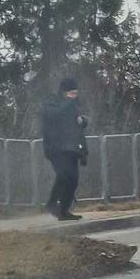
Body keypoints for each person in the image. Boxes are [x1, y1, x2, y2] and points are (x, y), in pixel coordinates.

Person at [41, 78, 88, 221]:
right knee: (63, 175)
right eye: (72, 93)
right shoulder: (51, 102)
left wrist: (84, 151)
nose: (74, 96)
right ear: (65, 92)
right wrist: (69, 102)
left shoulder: (73, 105)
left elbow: (77, 128)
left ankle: (63, 210)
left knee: (73, 180)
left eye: (76, 94)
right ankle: (51, 203)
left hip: (72, 148)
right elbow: (54, 115)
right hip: (56, 147)